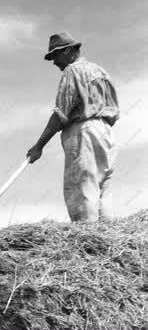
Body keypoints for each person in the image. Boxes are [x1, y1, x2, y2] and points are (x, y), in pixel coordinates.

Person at [26, 33, 120, 222]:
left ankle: (87, 241)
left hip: (83, 131)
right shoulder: (101, 72)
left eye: (55, 56)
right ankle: (107, 238)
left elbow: (61, 114)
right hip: (106, 133)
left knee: (82, 187)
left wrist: (39, 146)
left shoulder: (72, 71)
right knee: (102, 188)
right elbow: (115, 109)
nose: (54, 62)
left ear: (68, 51)